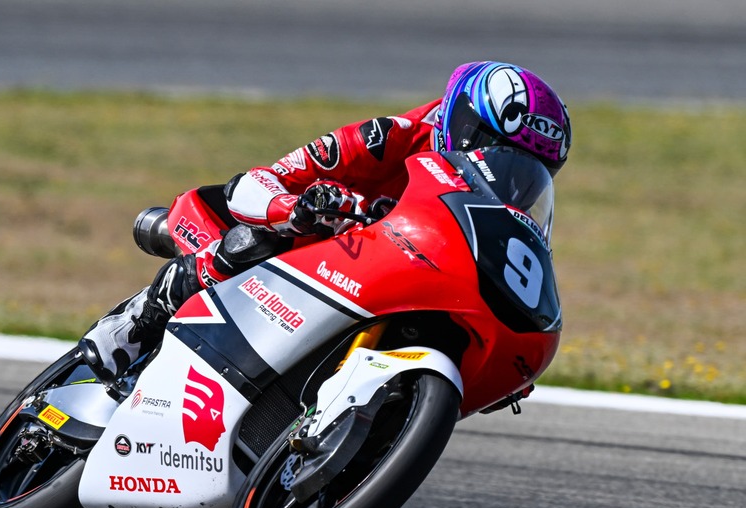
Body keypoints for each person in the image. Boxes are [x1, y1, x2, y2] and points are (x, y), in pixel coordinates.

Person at [78, 61, 572, 383]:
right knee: (257, 240)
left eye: (527, 171)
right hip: (300, 241)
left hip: (383, 280)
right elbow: (256, 183)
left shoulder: (496, 209)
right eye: (492, 150)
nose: (506, 176)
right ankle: (141, 320)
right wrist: (296, 210)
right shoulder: (387, 137)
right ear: (459, 120)